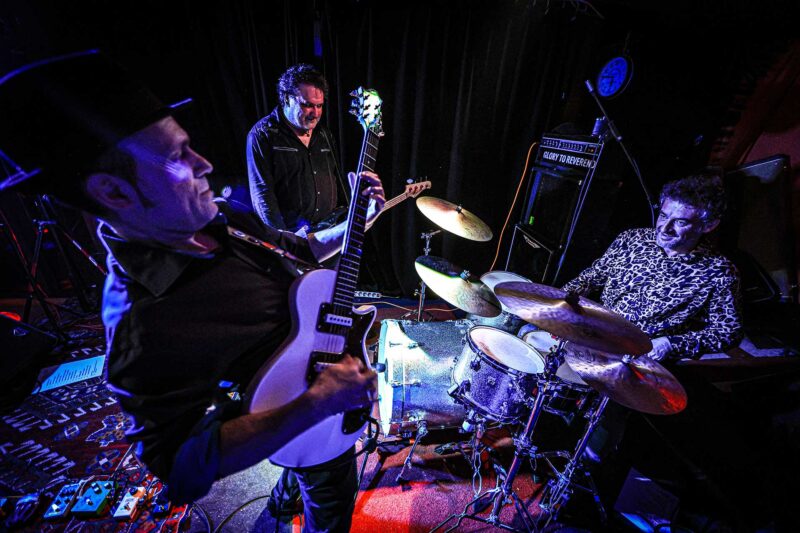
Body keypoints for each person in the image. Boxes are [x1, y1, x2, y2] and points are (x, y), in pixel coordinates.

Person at [0, 50, 385, 532]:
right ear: (114, 192)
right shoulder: (142, 325)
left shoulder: (213, 218)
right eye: (177, 156)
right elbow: (180, 469)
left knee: (306, 471)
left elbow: (296, 247)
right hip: (305, 410)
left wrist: (358, 221)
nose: (203, 164)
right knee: (331, 500)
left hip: (315, 393)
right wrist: (314, 405)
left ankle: (285, 494)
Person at [562, 173, 744, 362]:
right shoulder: (632, 239)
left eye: (680, 222)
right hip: (597, 336)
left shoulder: (719, 272)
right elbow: (591, 278)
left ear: (708, 225)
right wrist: (560, 303)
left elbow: (728, 332)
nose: (665, 228)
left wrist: (671, 343)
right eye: (663, 216)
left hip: (643, 359)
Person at [248, 64, 346, 234]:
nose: (315, 113)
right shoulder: (263, 135)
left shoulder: (323, 134)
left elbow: (337, 179)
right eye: (307, 105)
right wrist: (283, 241)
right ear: (286, 99)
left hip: (328, 233)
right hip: (293, 237)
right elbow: (262, 196)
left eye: (320, 106)